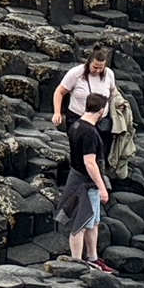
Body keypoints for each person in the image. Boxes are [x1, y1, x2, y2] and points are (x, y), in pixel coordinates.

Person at [57, 93, 112, 271]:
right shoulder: (89, 133)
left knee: (93, 222)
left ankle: (92, 258)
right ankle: (76, 264)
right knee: (80, 223)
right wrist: (103, 187)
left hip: (76, 176)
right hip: (85, 183)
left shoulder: (75, 125)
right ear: (102, 111)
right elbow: (90, 163)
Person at [51, 46, 120, 150]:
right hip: (78, 118)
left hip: (101, 120)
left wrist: (120, 103)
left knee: (101, 150)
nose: (98, 70)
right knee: (80, 151)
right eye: (95, 67)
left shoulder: (109, 74)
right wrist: (57, 112)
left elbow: (113, 91)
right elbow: (59, 92)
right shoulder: (75, 73)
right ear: (89, 63)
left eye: (101, 68)